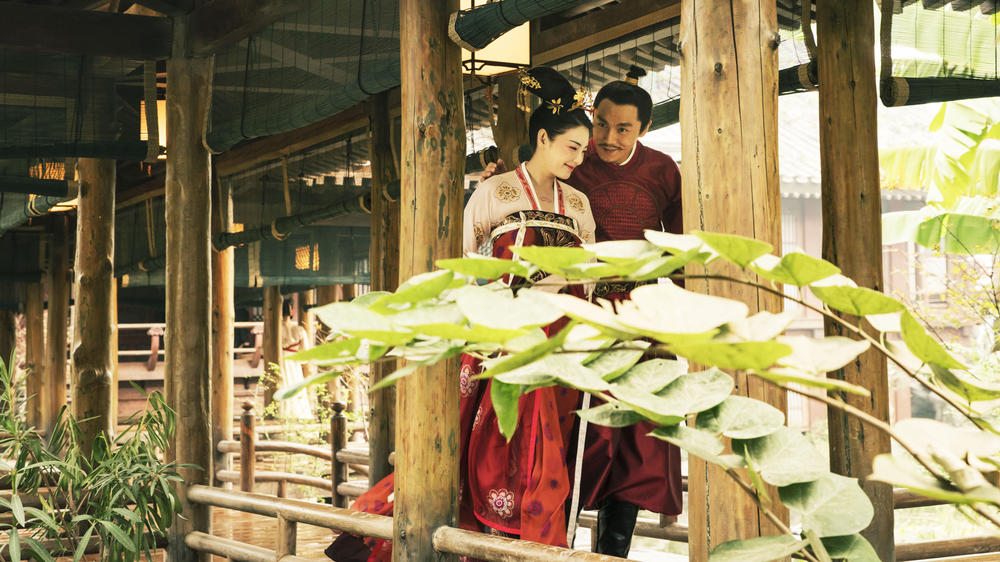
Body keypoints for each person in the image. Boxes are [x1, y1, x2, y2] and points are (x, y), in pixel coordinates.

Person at [325, 66, 596, 562]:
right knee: (483, 448)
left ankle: (538, 544)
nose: (579, 158)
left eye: (583, 150)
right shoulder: (495, 193)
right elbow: (468, 266)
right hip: (502, 337)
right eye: (572, 146)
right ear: (543, 137)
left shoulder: (578, 203)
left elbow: (589, 274)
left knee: (550, 451)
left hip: (562, 341)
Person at [482, 65, 683, 557]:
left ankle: (614, 552)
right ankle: (556, 542)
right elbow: (522, 199)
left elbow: (680, 250)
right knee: (570, 431)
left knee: (639, 440)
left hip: (641, 314)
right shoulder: (571, 161)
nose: (607, 139)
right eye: (601, 125)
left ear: (645, 130)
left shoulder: (663, 171)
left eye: (623, 129)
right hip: (576, 313)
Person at [278, 299, 314, 419]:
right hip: (294, 362)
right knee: (295, 387)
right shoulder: (299, 330)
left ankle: (282, 417)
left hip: (279, 361)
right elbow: (305, 354)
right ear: (292, 310)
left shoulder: (274, 329)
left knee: (281, 386)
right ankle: (299, 417)